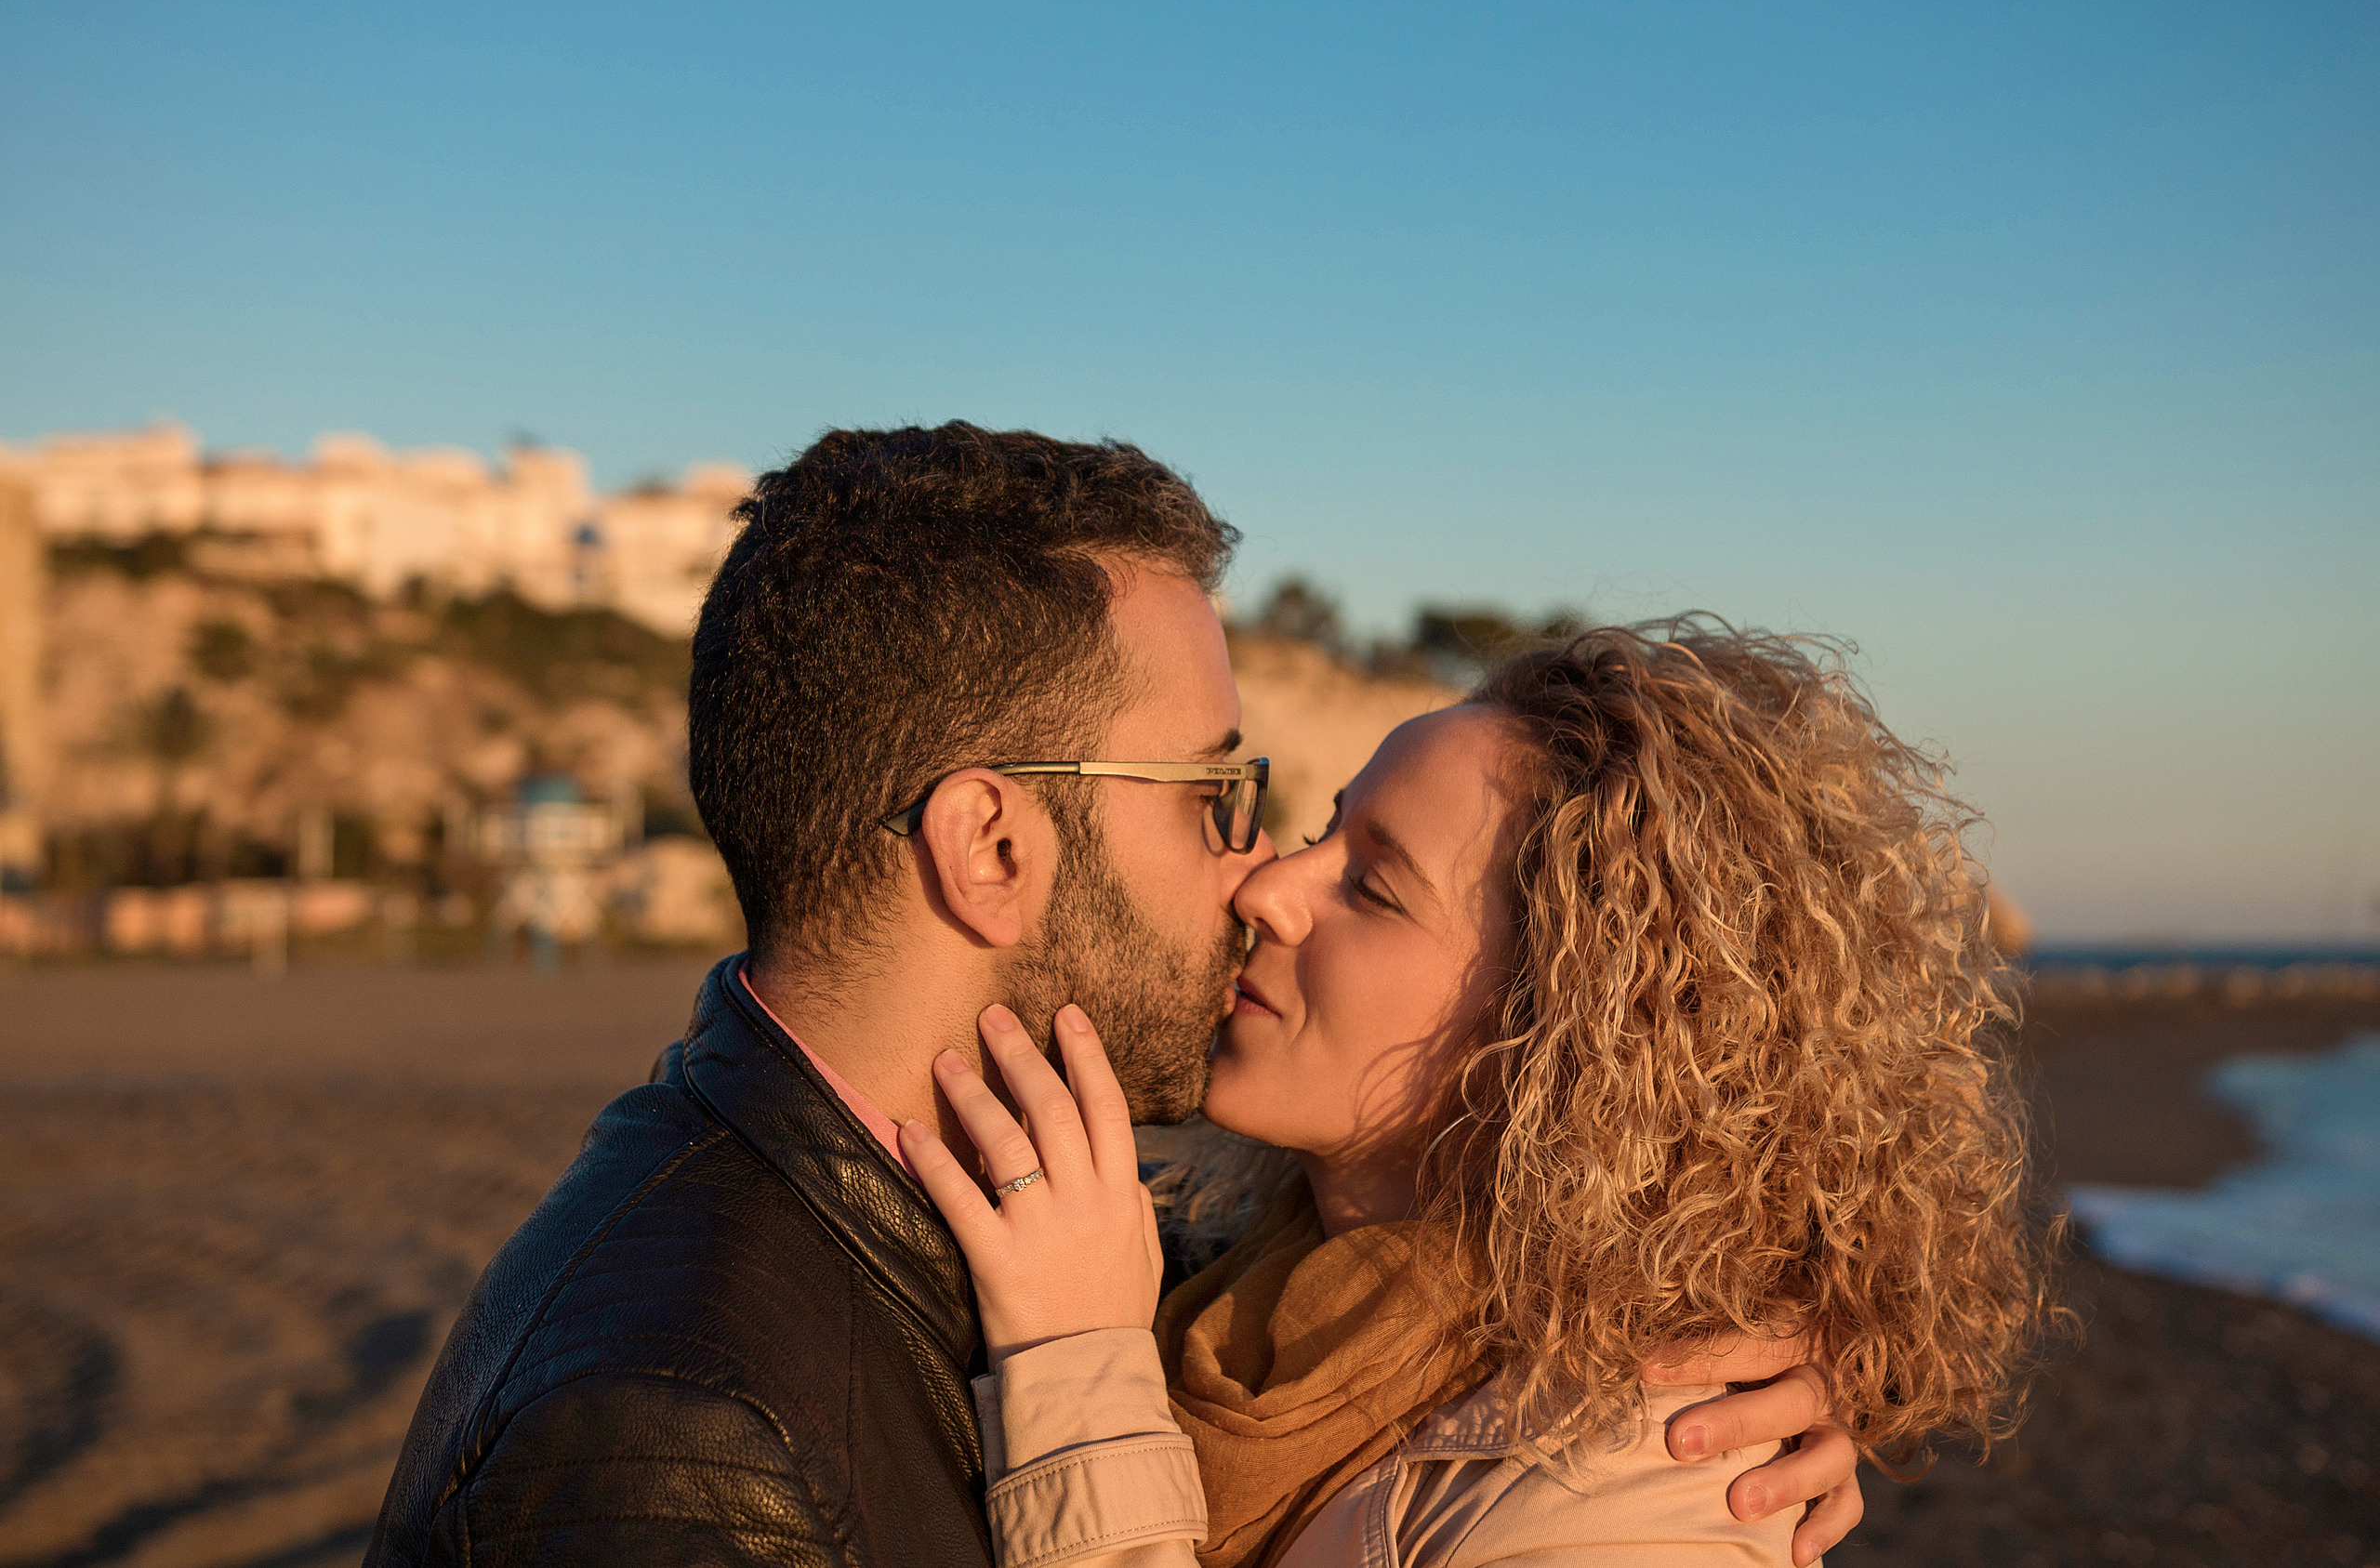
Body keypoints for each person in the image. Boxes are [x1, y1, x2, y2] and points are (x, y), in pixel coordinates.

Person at [364, 428, 1864, 1566]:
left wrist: (1729, 1352)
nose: (1259, 871)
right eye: (1215, 790)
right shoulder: (681, 1438)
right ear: (995, 846)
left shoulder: (1119, 1266)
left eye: (1362, 869)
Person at [909, 620, 2058, 1567]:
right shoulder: (1227, 1284)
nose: (1266, 888)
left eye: (1373, 884)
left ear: (1567, 1031)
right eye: (1322, 833)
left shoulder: (1647, 1514)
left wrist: (1077, 1369)